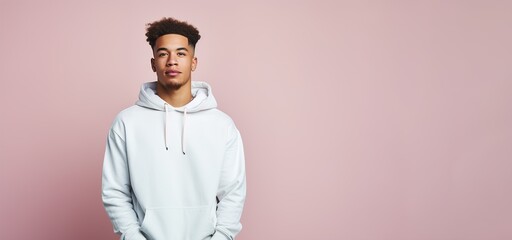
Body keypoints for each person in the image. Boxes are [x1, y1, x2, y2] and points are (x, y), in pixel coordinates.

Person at [102, 17, 246, 240]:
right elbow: (115, 192)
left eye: (180, 53)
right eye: (163, 54)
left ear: (193, 62)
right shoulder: (126, 123)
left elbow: (233, 193)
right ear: (153, 63)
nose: (172, 61)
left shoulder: (222, 125)